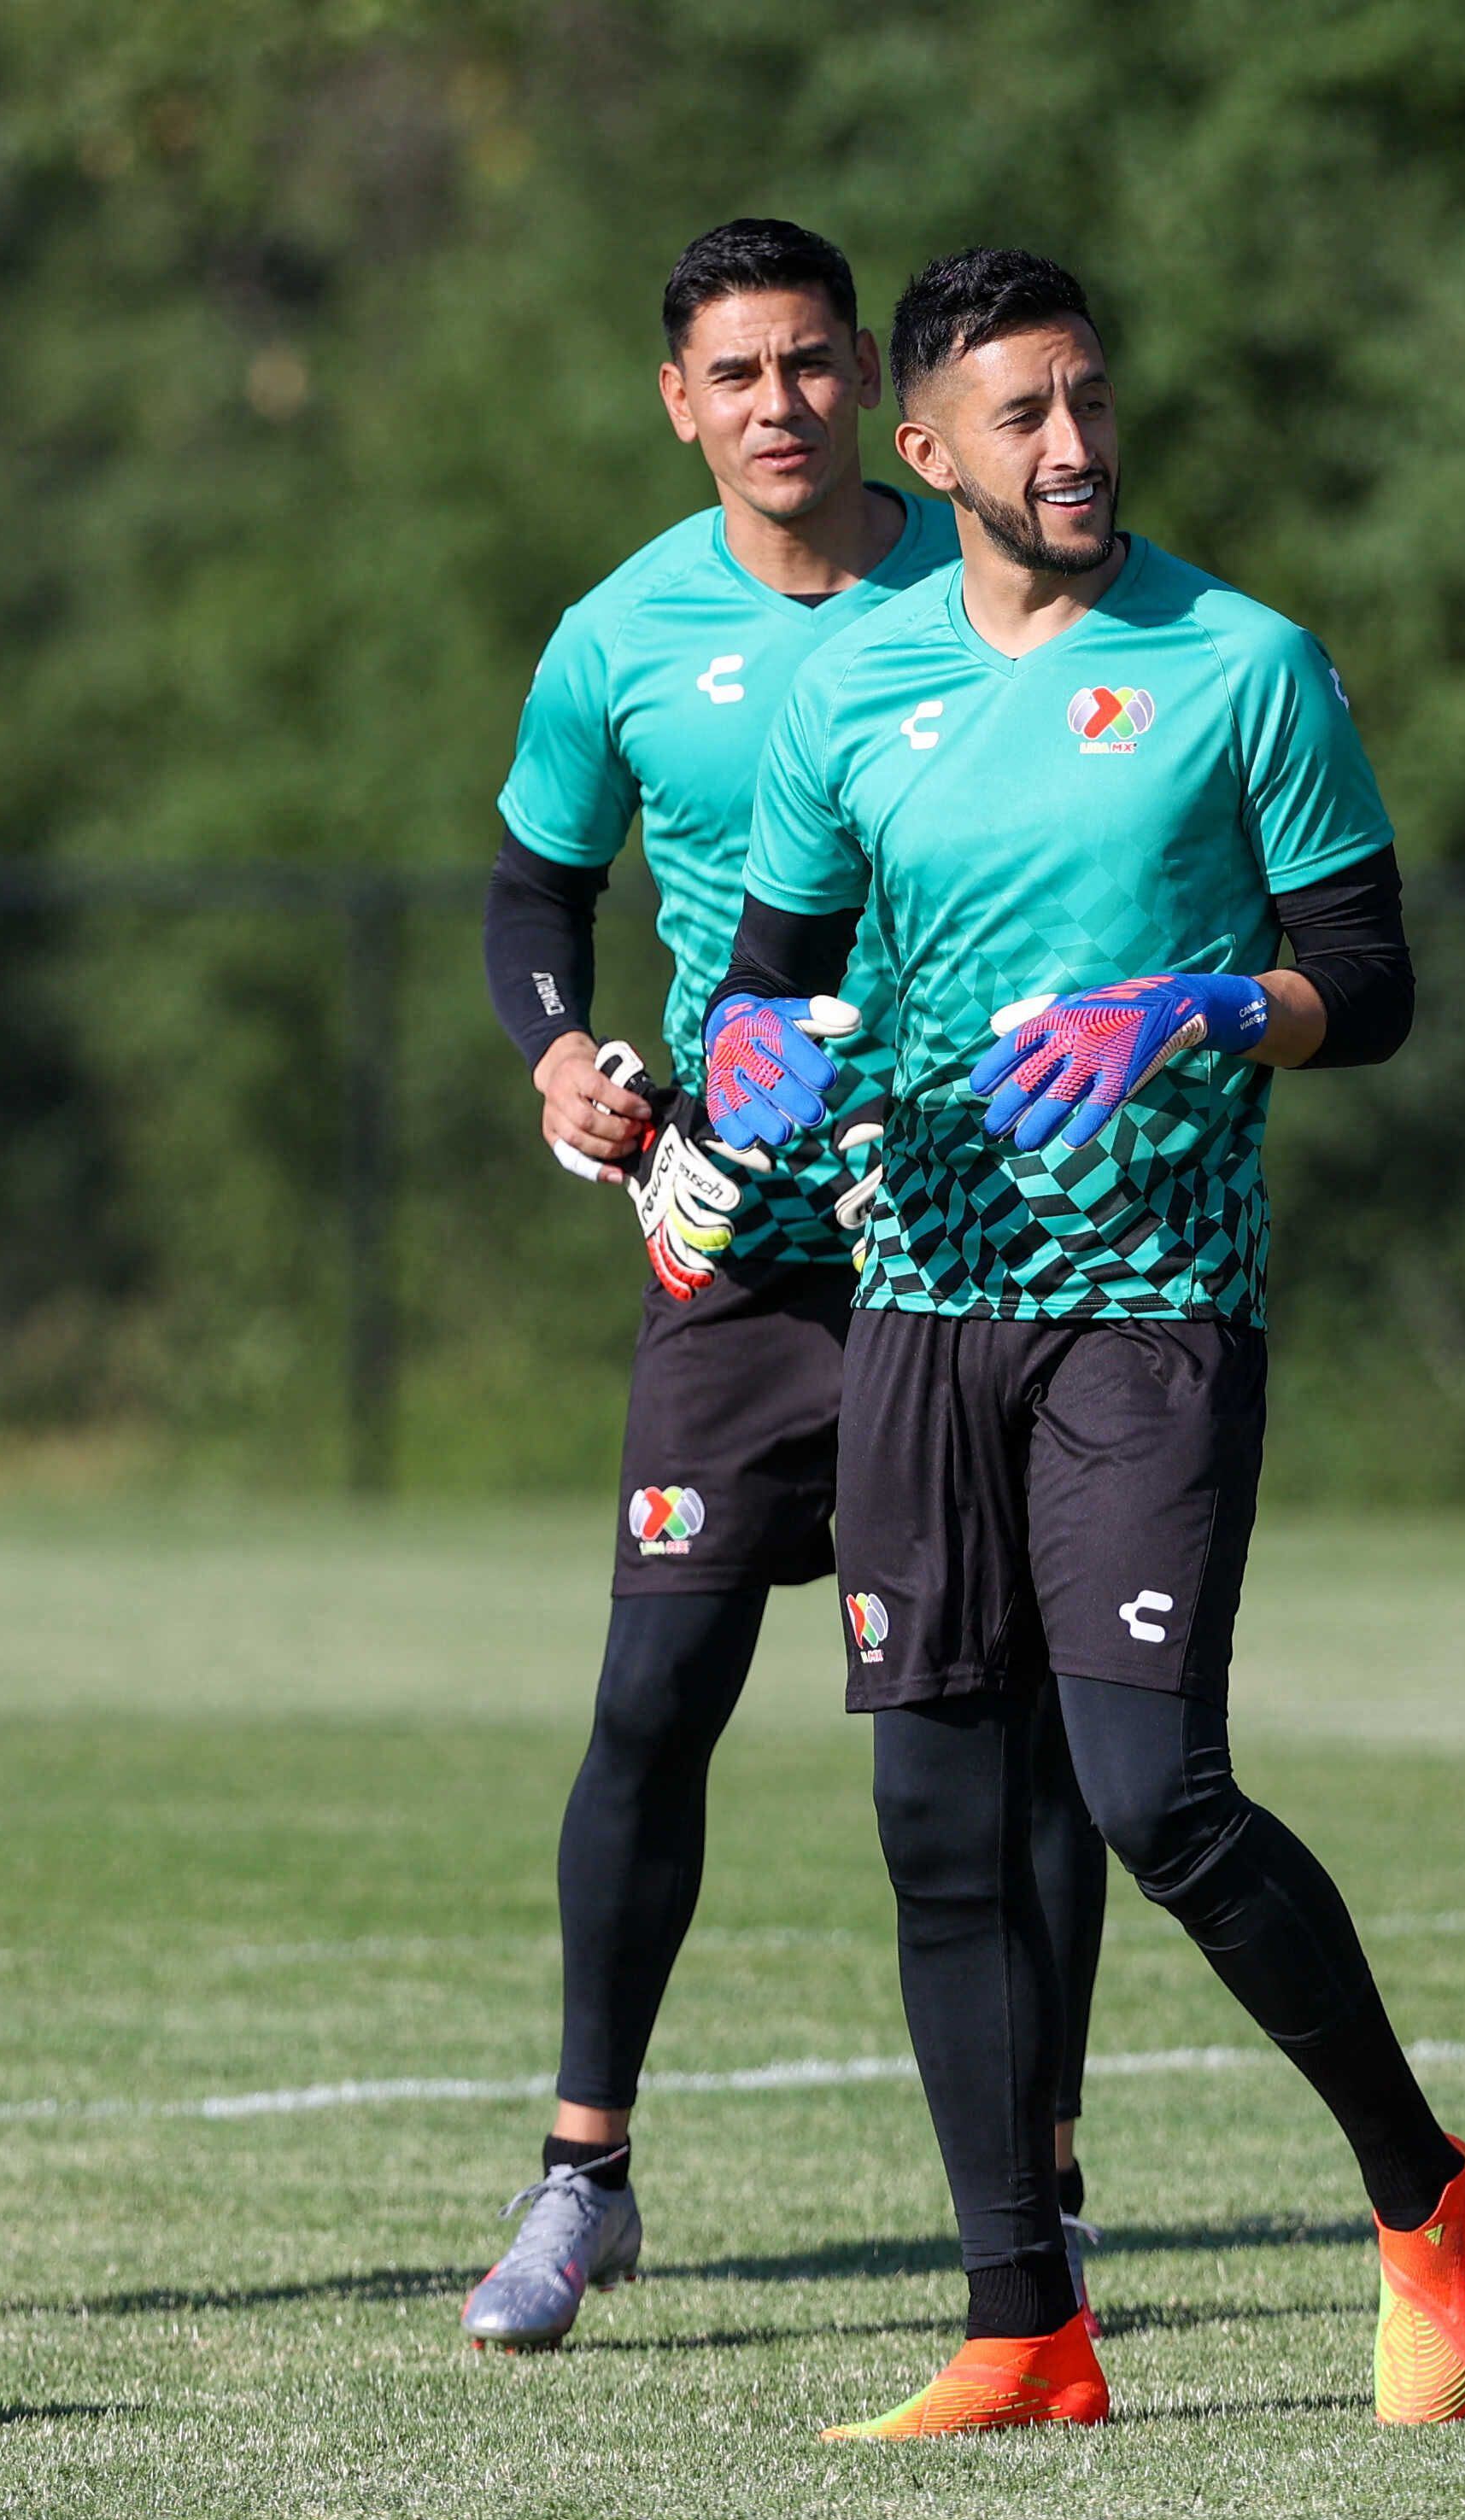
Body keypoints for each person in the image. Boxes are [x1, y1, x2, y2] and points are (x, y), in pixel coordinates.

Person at [711, 248, 1465, 2439]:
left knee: (1153, 1791)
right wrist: (750, 1064)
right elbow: (768, 979)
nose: (1071, 450)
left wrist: (1217, 1005)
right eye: (1021, 418)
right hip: (919, 1302)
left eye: (1088, 403)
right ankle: (1020, 2324)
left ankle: (1422, 2191)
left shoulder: (1244, 664)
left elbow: (1376, 970)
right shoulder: (845, 688)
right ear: (924, 449)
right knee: (933, 1815)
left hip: (1151, 1302)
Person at [465, 220, 1115, 2351]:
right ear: (679, 399)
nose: (775, 405)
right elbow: (534, 887)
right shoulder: (619, 634)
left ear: (873, 390)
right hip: (732, 1242)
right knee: (654, 1692)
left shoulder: (988, 586)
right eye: (732, 373)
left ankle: (1039, 2185)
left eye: (810, 365)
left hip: (969, 1235)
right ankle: (582, 2178)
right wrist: (562, 1047)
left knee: (997, 1739)